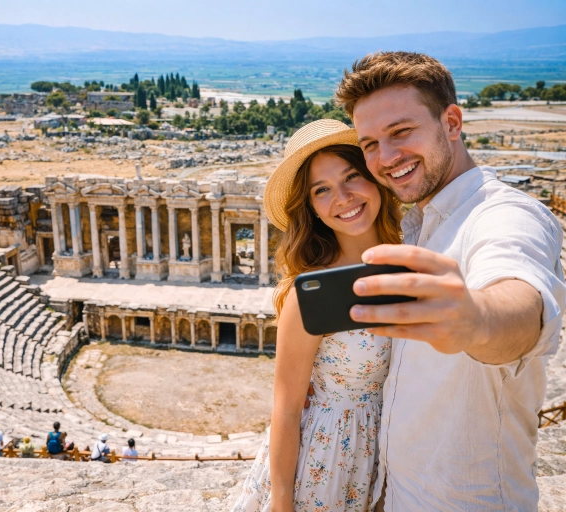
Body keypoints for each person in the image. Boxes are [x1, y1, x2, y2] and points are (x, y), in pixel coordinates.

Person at [332, 51, 565, 510]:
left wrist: (476, 320)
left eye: (401, 132)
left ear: (452, 123)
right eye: (370, 144)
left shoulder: (504, 214)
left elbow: (518, 300)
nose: (386, 157)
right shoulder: (420, 224)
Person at [233, 118, 402, 511]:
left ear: (375, 179)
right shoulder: (311, 291)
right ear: (311, 208)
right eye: (322, 190)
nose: (342, 197)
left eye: (351, 177)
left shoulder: (411, 260)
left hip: (392, 456)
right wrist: (282, 501)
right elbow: (287, 408)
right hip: (324, 463)